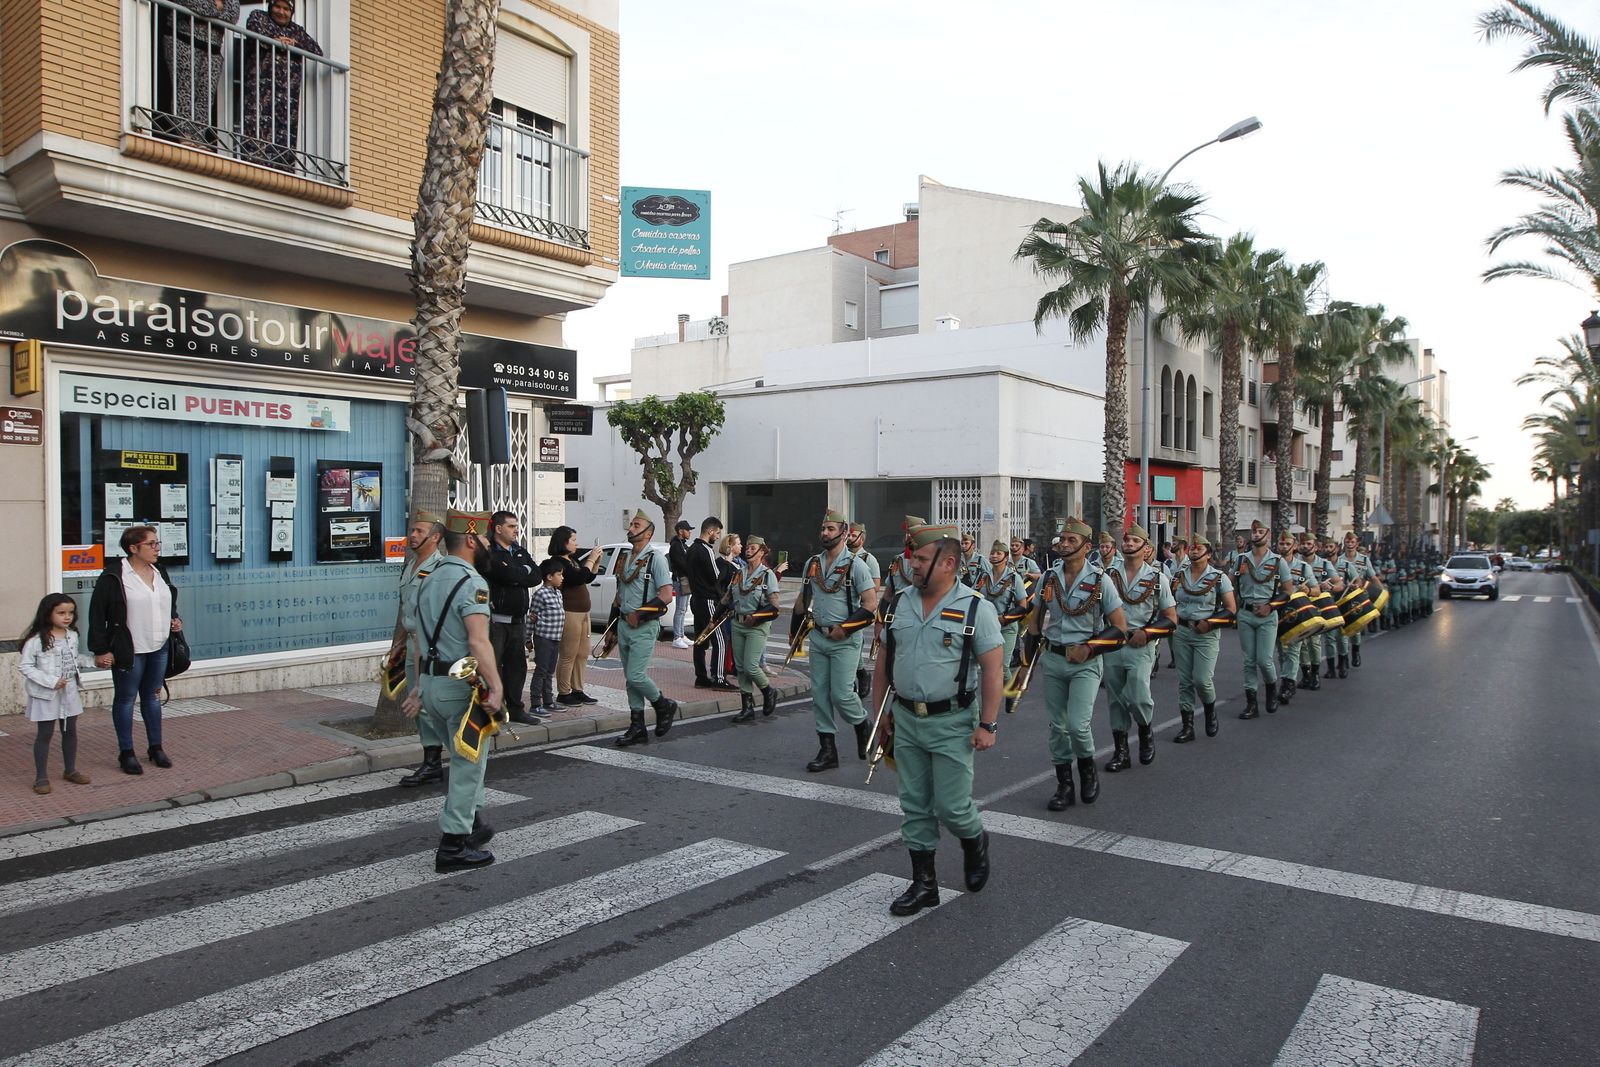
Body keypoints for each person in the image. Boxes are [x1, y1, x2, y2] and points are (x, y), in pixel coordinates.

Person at [871, 523, 1003, 916]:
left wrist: (989, 724)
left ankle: (974, 839)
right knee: (914, 805)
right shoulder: (897, 604)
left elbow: (994, 670)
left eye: (922, 559)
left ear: (948, 563)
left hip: (952, 721)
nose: (912, 564)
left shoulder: (976, 607)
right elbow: (883, 665)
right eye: (912, 557)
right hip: (906, 718)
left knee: (953, 806)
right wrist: (879, 717)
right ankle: (924, 884)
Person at [403, 510, 502, 873]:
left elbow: (418, 641)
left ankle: (473, 823)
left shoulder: (428, 578)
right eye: (487, 538)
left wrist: (418, 687)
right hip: (460, 688)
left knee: (468, 758)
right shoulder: (471, 582)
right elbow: (478, 642)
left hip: (432, 686)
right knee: (467, 766)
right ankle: (453, 844)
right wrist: (498, 687)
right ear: (473, 540)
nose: (490, 544)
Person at [1025, 519, 1128, 811]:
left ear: (1087, 547)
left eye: (1072, 541)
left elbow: (1119, 627)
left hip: (1086, 661)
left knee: (1078, 725)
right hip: (1054, 658)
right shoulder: (1048, 577)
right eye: (1063, 540)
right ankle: (1064, 785)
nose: (1065, 545)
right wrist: (1025, 663)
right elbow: (1034, 623)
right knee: (1057, 727)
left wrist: (1090, 647)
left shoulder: (1100, 580)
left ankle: (1087, 769)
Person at [88, 525, 183, 776]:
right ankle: (126, 752)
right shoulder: (114, 576)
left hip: (159, 646)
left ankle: (156, 747)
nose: (157, 548)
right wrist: (100, 650)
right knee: (126, 698)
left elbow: (166, 601)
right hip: (129, 649)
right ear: (133, 548)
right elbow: (97, 615)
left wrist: (174, 619)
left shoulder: (159, 571)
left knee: (152, 696)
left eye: (157, 543)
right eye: (151, 544)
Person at [794, 510, 879, 772]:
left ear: (843, 533)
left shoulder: (857, 566)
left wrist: (844, 629)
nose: (825, 533)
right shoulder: (812, 564)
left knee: (842, 694)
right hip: (818, 638)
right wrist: (795, 635)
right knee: (819, 695)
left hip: (845, 639)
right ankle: (828, 750)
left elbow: (870, 605)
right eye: (823, 529)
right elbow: (803, 599)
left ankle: (862, 723)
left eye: (830, 529)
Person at [1101, 525, 1177, 773]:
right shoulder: (1108, 575)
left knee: (1138, 695)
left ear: (1146, 548)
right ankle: (1121, 751)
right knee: (1115, 699)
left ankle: (1145, 731)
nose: (1129, 543)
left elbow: (1170, 618)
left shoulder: (1157, 579)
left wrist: (1148, 634)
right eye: (1126, 540)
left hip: (1141, 645)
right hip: (1113, 643)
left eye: (1135, 540)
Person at [611, 510, 679, 745]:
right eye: (630, 524)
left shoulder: (656, 559)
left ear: (648, 532)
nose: (630, 528)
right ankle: (637, 726)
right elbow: (619, 595)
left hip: (644, 625)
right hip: (623, 624)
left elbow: (666, 596)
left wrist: (639, 614)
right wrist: (612, 628)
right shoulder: (626, 558)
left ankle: (663, 704)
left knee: (636, 674)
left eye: (636, 524)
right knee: (630, 679)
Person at [18, 594, 93, 795]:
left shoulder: (72, 635)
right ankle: (40, 777)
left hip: (69, 692)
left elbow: (74, 659)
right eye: (61, 613)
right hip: (46, 694)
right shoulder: (36, 640)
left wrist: (94, 662)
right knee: (45, 733)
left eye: (70, 613)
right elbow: (25, 666)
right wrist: (51, 682)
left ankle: (70, 770)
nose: (67, 617)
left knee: (70, 731)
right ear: (48, 613)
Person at [396, 512, 447, 788]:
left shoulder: (439, 569)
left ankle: (433, 763)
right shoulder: (411, 565)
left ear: (435, 537)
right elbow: (407, 609)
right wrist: (397, 645)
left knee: (426, 702)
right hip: (412, 642)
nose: (412, 535)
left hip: (428, 645)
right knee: (420, 704)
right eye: (411, 531)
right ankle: (432, 760)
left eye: (418, 531)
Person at [240, 0, 323, 171]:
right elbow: (255, 30)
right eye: (277, 7)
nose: (281, 12)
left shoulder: (296, 31)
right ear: (271, 7)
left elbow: (316, 51)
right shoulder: (259, 17)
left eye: (286, 9)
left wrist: (294, 44)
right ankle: (254, 163)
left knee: (284, 131)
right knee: (257, 126)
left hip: (287, 94)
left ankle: (282, 168)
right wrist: (275, 40)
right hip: (261, 88)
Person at [1171, 536, 1237, 742]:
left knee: (1202, 680)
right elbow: (1171, 601)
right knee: (1184, 681)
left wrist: (1211, 622)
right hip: (1182, 631)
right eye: (1192, 548)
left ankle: (1210, 711)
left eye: (1199, 549)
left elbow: (1231, 610)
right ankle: (1187, 726)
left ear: (1208, 555)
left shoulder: (1218, 578)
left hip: (1206, 633)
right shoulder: (1180, 575)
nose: (1194, 551)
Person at [482, 511, 541, 726]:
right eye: (511, 526)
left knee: (517, 667)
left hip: (519, 621)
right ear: (498, 529)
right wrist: (519, 574)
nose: (516, 530)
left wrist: (516, 573)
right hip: (497, 622)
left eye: (517, 526)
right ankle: (491, 712)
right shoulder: (489, 551)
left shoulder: (519, 551)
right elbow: (501, 574)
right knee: (492, 666)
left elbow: (536, 575)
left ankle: (516, 709)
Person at [154, 0, 241, 145]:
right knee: (185, 88)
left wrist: (209, 9)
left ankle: (199, 137)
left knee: (206, 95)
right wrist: (217, 8)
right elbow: (192, 3)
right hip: (183, 40)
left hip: (212, 49)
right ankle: (185, 133)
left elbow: (233, 15)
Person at [1235, 520, 1292, 720]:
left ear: (1268, 536)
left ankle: (1271, 690)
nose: (1256, 534)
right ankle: (1251, 704)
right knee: (1249, 660)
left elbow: (1287, 591)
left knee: (1264, 660)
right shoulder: (1241, 560)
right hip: (1246, 613)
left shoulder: (1278, 561)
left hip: (1267, 615)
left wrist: (1271, 607)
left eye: (1260, 531)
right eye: (1254, 531)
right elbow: (1232, 585)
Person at [547, 527, 602, 707]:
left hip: (584, 612)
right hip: (570, 611)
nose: (576, 544)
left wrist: (595, 563)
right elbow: (577, 578)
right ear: (563, 542)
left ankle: (578, 689)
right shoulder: (558, 563)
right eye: (573, 540)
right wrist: (591, 559)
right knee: (568, 653)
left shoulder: (572, 560)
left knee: (582, 653)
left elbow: (587, 578)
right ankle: (564, 692)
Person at [729, 536, 782, 723]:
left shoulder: (768, 575)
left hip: (757, 626)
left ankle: (769, 691)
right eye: (747, 548)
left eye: (752, 548)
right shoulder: (738, 573)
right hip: (738, 623)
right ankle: (747, 707)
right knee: (741, 668)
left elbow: (775, 607)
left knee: (751, 665)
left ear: (762, 552)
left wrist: (756, 617)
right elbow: (727, 599)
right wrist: (713, 619)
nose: (748, 551)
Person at [979, 539, 1029, 714]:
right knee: (984, 665)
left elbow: (1022, 606)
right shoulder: (984, 576)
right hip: (987, 627)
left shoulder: (1014, 578)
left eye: (998, 553)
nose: (994, 556)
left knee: (1003, 665)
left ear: (1006, 557)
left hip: (1007, 626)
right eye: (992, 553)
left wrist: (1004, 618)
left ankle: (1011, 691)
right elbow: (975, 596)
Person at [688, 516, 733, 690]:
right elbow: (716, 576)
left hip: (696, 598)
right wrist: (728, 566)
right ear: (710, 531)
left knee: (700, 640)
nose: (717, 537)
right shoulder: (705, 549)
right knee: (720, 640)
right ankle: (719, 678)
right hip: (707, 599)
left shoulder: (691, 548)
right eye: (717, 533)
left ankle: (701, 677)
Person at [1278, 531, 1321, 700]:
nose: (1284, 547)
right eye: (1282, 544)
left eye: (1288, 544)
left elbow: (1317, 590)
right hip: (1278, 611)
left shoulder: (1303, 567)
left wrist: (1308, 590)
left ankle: (1288, 683)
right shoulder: (1272, 563)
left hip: (1296, 613)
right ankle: (1286, 678)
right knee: (1282, 650)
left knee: (1294, 649)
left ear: (1294, 546)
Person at [524, 559, 565, 720]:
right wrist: (528, 639)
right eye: (559, 574)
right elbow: (531, 617)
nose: (562, 578)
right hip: (544, 637)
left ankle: (548, 700)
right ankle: (535, 704)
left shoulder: (558, 593)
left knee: (550, 670)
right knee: (541, 670)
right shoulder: (540, 594)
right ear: (549, 576)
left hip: (556, 637)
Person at [846, 522, 882, 699]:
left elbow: (876, 585)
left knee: (854, 646)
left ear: (862, 538)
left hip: (860, 608)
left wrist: (860, 586)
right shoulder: (842, 557)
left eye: (854, 536)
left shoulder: (868, 559)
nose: (850, 538)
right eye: (849, 535)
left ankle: (855, 678)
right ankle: (859, 675)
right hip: (844, 608)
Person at [1336, 532, 1382, 669]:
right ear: (1344, 543)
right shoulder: (1338, 560)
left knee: (1355, 629)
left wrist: (1382, 592)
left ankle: (1355, 651)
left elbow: (1373, 577)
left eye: (1352, 542)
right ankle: (1342, 659)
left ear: (1357, 543)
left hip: (1358, 598)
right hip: (1342, 598)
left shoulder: (1363, 560)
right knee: (1341, 631)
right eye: (1347, 542)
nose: (1350, 544)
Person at [668, 520, 694, 648]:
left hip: (685, 579)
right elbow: (681, 563)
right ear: (680, 531)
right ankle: (677, 637)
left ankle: (682, 635)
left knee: (683, 609)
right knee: (680, 609)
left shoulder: (683, 545)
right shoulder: (676, 546)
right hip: (680, 580)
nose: (689, 532)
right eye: (687, 530)